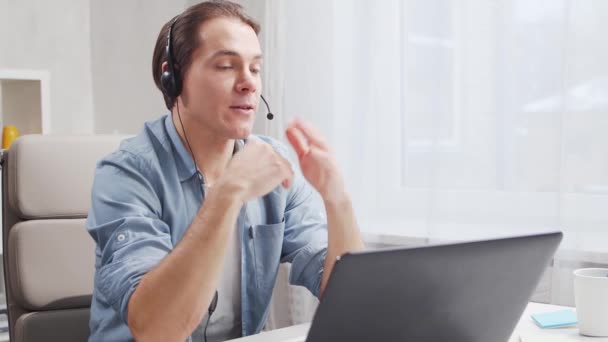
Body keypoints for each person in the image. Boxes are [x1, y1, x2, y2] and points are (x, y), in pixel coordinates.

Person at [86, 1, 364, 341]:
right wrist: (228, 193)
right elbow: (157, 329)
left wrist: (338, 199)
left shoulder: (274, 166)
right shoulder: (126, 174)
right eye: (226, 66)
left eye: (256, 69)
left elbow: (347, 298)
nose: (248, 84)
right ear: (172, 78)